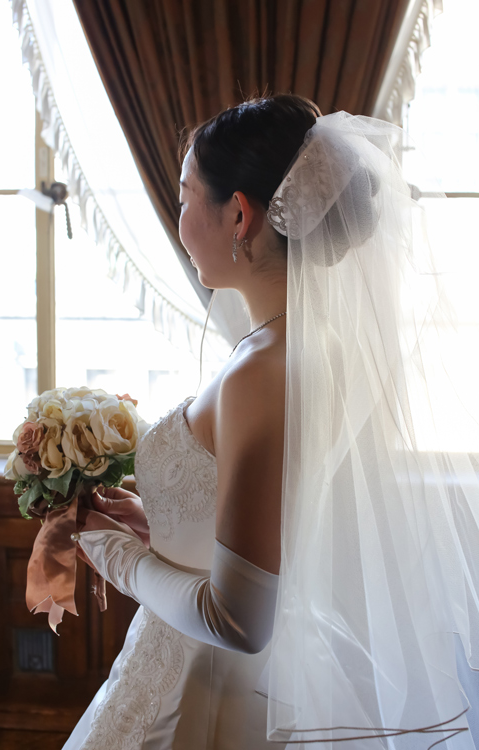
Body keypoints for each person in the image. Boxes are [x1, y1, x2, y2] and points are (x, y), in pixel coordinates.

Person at [63, 94, 479, 750]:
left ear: (238, 213)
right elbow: (277, 525)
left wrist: (113, 554)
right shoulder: (311, 345)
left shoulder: (263, 369)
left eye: (185, 197)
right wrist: (163, 528)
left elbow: (238, 620)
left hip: (203, 691)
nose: (178, 221)